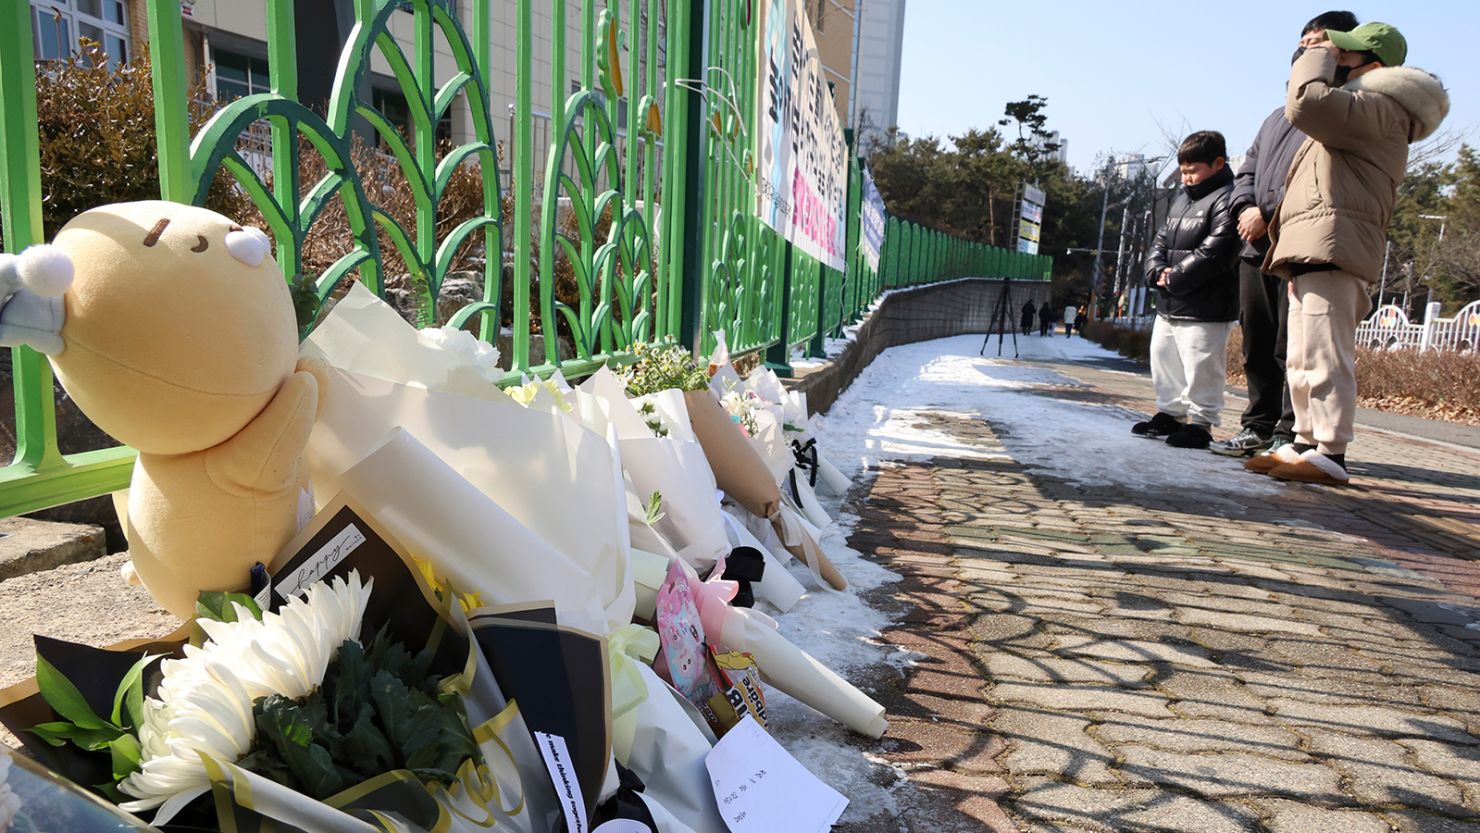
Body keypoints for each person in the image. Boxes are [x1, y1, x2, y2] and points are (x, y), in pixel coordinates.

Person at [1250, 22, 1448, 485]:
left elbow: (1305, 102)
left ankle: (1331, 450)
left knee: (1325, 354)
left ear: (1374, 66)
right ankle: (1304, 442)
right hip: (1315, 245)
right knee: (1302, 356)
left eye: (1343, 55)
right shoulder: (1362, 106)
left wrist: (1316, 53)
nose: (1333, 59)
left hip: (1335, 243)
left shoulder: (1379, 107)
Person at [1212, 11, 1360, 460]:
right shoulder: (1275, 117)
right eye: (1304, 42)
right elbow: (1247, 172)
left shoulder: (1336, 114)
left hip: (1295, 244)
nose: (1307, 49)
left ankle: (1289, 430)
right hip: (1254, 246)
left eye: (1319, 42)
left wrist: (1268, 214)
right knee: (1256, 344)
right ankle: (1256, 425)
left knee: (1291, 347)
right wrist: (1245, 209)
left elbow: (1314, 183)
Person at [1131, 131, 1241, 449]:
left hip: (1207, 304)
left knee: (1201, 364)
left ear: (1218, 163)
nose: (1186, 178)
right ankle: (1170, 413)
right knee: (1163, 357)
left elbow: (1217, 250)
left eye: (1193, 171)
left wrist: (1175, 276)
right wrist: (1156, 271)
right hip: (1171, 301)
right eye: (1183, 171)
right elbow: (1160, 240)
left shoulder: (1228, 198)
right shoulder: (1182, 199)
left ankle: (1201, 423)